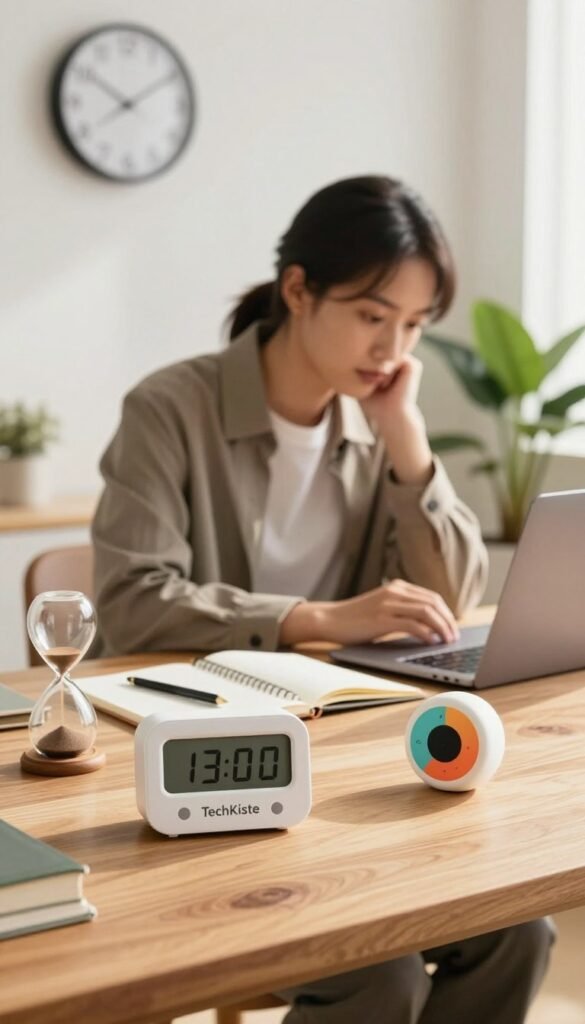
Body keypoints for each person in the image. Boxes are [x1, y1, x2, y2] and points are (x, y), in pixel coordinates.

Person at [92, 176, 554, 1021]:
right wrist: (313, 618)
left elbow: (448, 595)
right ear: (298, 290)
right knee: (376, 973)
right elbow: (130, 600)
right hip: (199, 760)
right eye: (373, 316)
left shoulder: (370, 424)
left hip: (346, 758)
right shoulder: (169, 408)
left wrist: (407, 443)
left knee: (517, 933)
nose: (391, 347)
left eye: (413, 326)